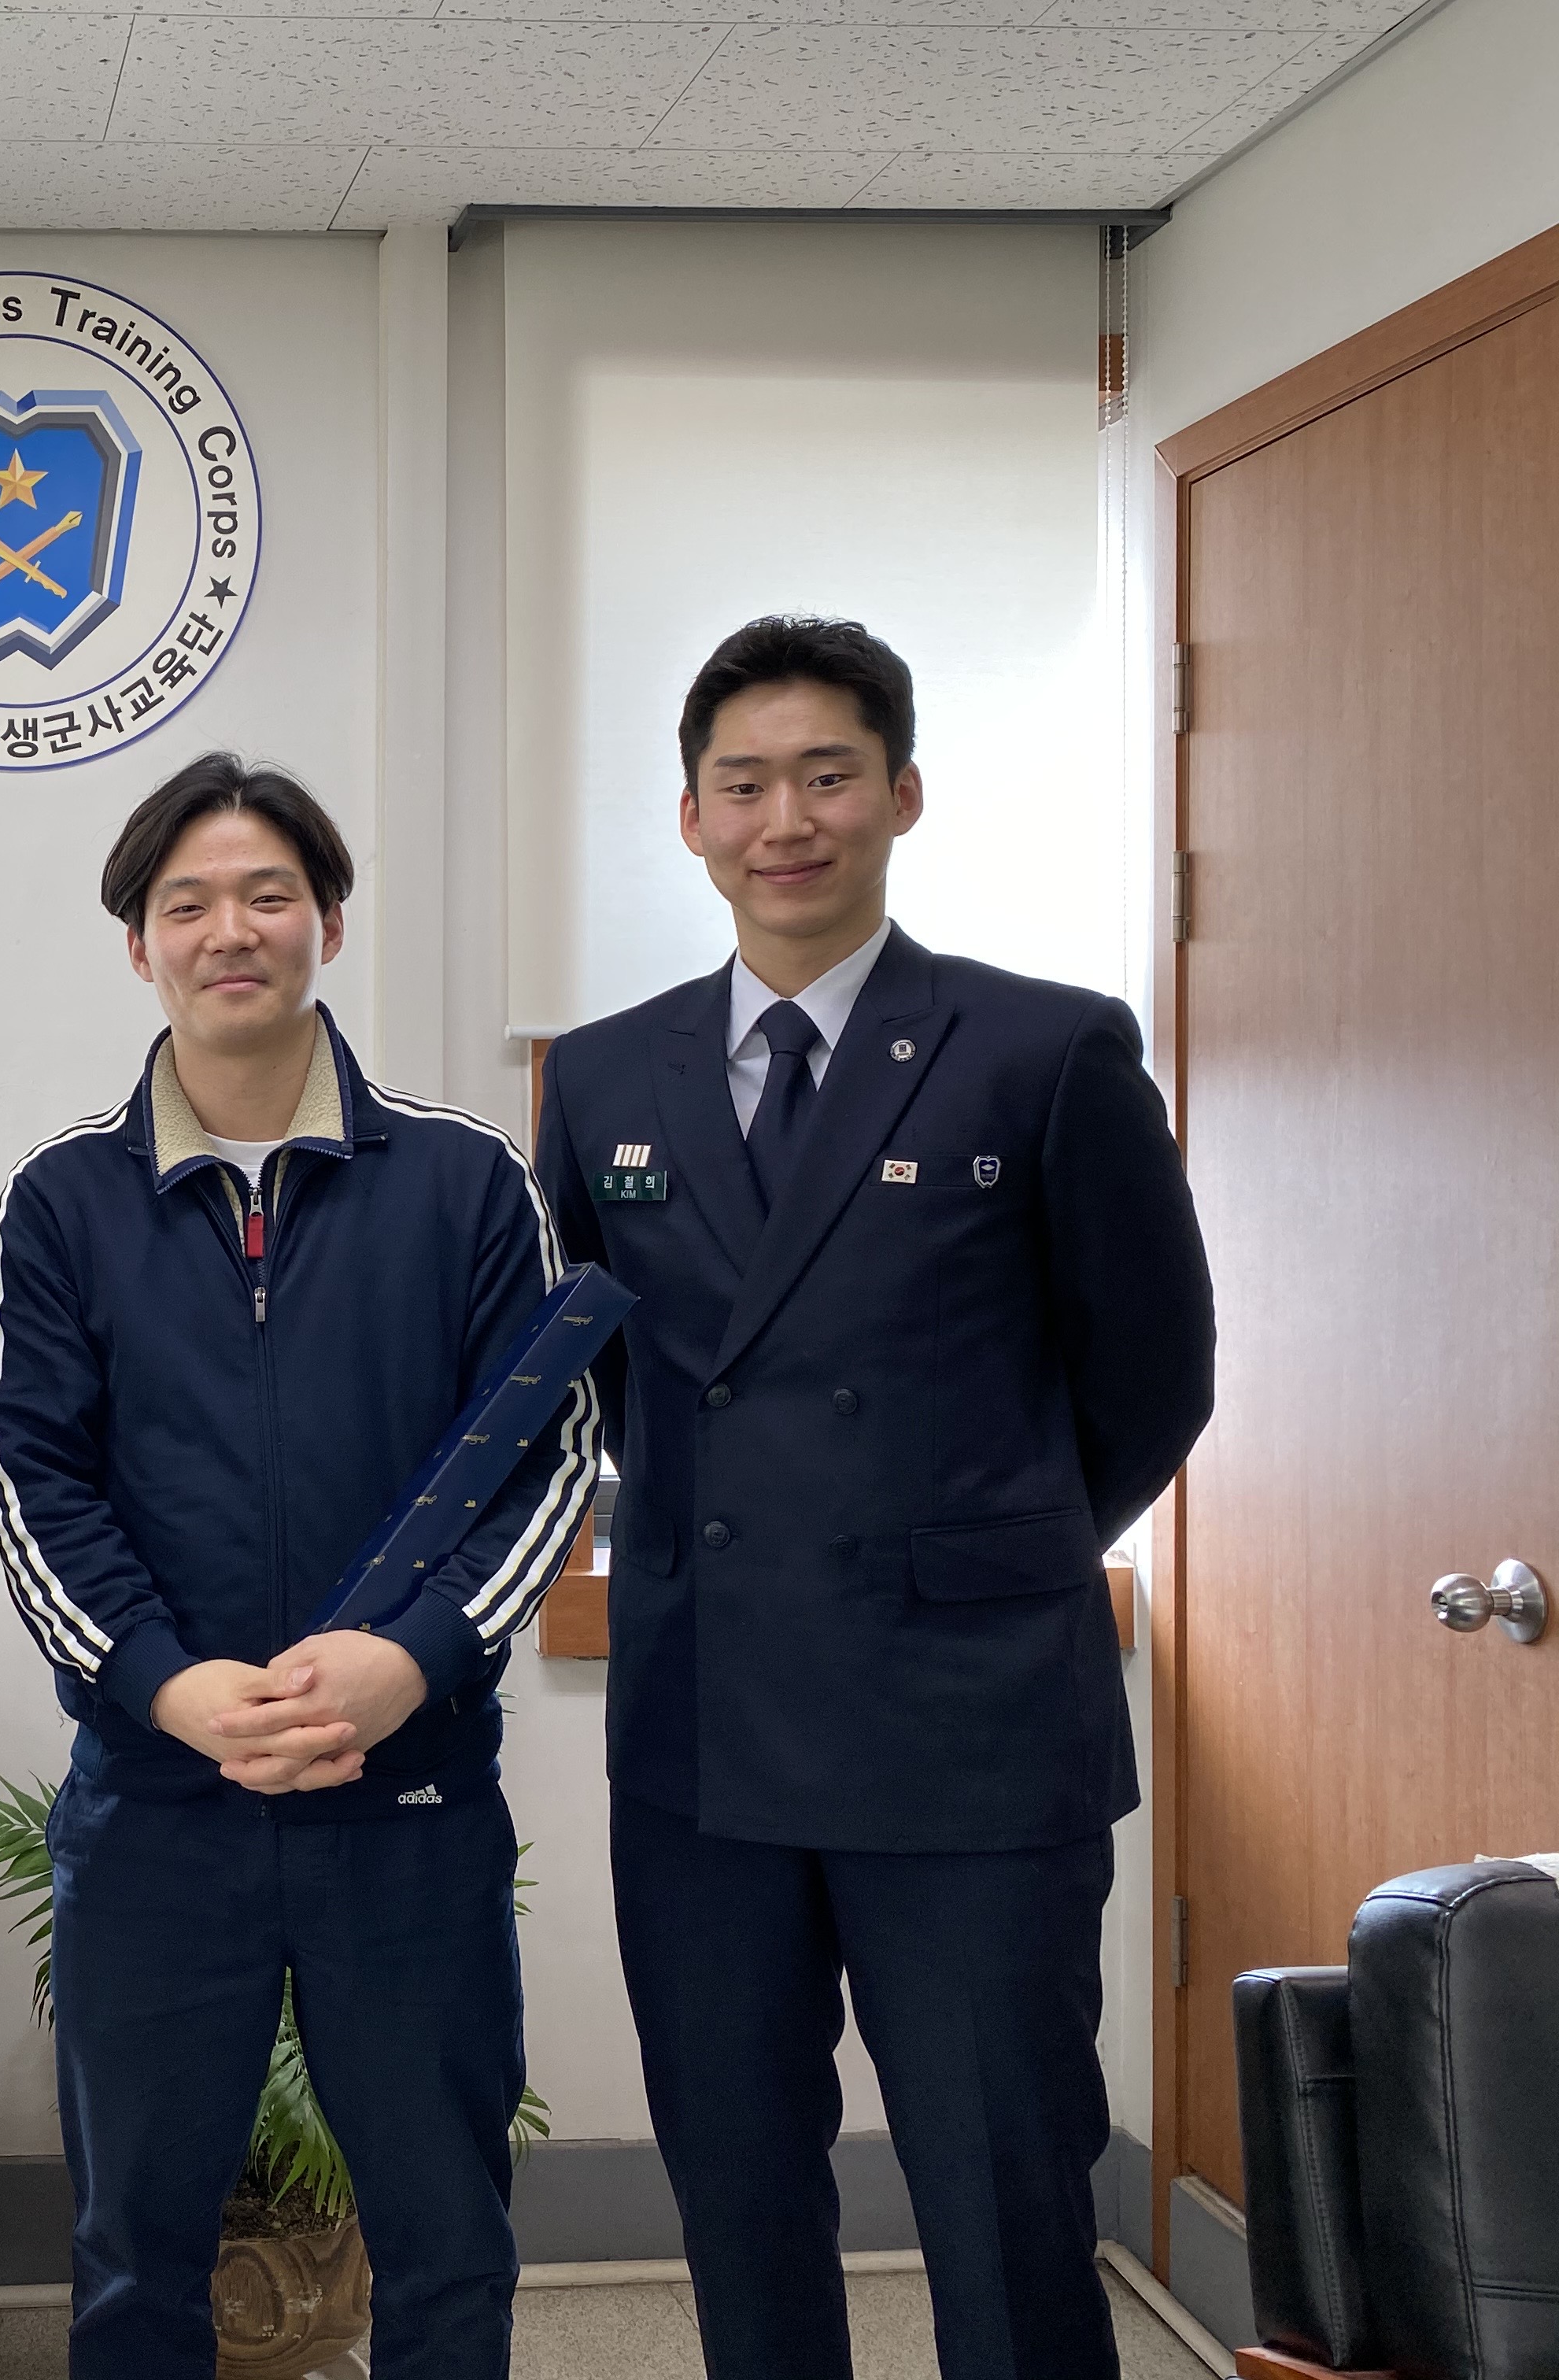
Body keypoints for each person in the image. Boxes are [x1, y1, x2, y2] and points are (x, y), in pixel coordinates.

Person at [534, 617, 1215, 2380]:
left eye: (828, 776)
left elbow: (1155, 1374)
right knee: (740, 2188)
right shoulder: (602, 1074)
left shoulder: (1043, 1047)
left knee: (1005, 2199)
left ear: (902, 795)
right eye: (745, 784)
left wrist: (977, 1550)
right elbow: (597, 1376)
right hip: (705, 1729)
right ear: (690, 817)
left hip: (971, 1728)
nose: (788, 820)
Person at [0, 753, 598, 2380]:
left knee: (447, 2240)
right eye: (187, 904)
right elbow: (30, 1479)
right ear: (140, 946)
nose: (229, 931)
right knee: (134, 2259)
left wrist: (414, 1660)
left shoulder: (463, 1179)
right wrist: (167, 1685)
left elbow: (546, 1460)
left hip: (406, 1800)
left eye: (268, 895)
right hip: (156, 1806)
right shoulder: (62, 1200)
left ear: (329, 920)